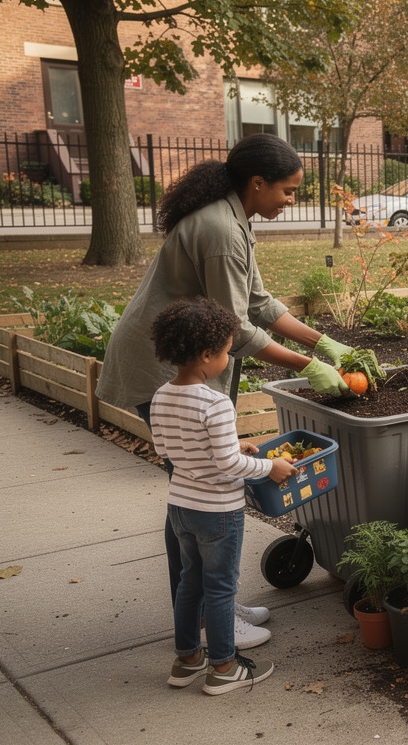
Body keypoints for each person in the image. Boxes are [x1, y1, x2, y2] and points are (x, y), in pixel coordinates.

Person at [97, 133, 358, 648]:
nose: (292, 200)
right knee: (197, 499)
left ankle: (210, 602)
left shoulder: (233, 218)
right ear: (257, 184)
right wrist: (311, 366)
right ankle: (202, 620)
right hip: (162, 367)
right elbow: (237, 330)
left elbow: (258, 301)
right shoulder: (220, 229)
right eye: (289, 190)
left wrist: (326, 343)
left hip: (181, 359)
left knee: (198, 493)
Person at [150, 297, 295, 694]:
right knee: (220, 589)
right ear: (206, 354)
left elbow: (165, 450)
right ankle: (225, 667)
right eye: (227, 352)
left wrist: (229, 451)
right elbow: (229, 466)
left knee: (189, 585)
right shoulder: (215, 402)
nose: (229, 360)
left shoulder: (161, 395)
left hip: (181, 506)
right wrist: (270, 467)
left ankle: (187, 660)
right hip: (219, 512)